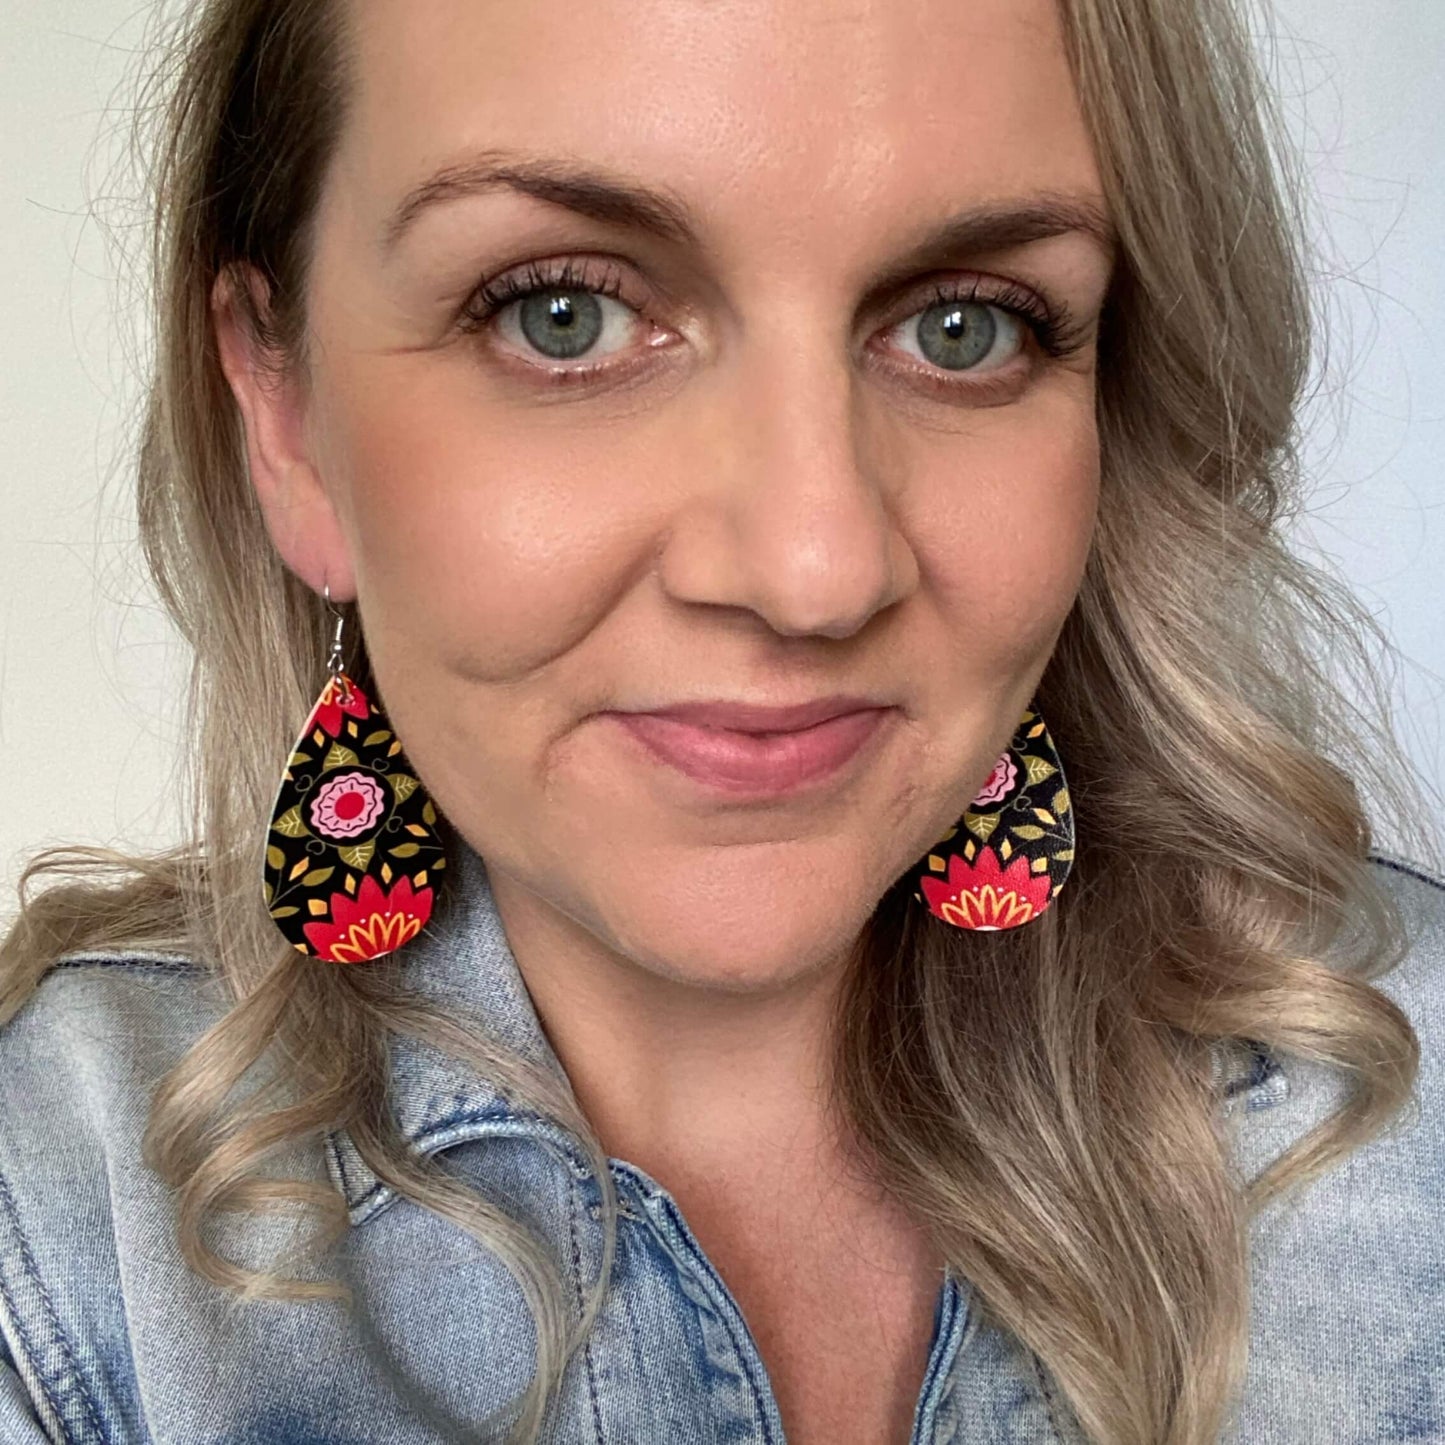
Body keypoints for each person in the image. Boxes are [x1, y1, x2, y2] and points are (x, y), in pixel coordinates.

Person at [1, 0, 1442, 1440]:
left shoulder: (1404, 1095)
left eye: (965, 326)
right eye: (562, 315)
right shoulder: (56, 1229)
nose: (815, 571)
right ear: (285, 416)